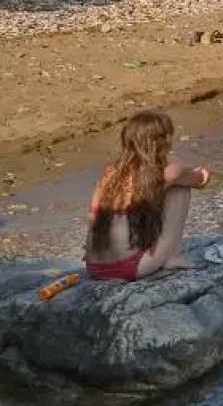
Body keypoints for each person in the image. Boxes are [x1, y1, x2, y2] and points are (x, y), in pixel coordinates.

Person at [83, 110, 211, 281]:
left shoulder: (109, 173)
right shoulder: (167, 173)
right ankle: (172, 256)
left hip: (94, 268)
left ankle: (153, 253)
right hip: (130, 268)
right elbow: (200, 179)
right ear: (163, 142)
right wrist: (194, 172)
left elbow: (93, 216)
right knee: (180, 189)